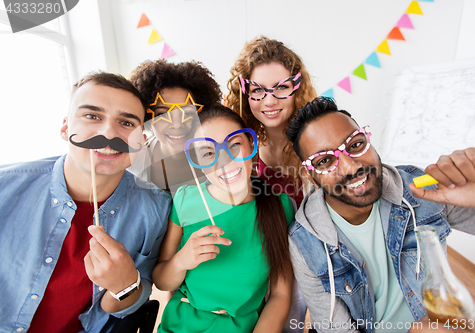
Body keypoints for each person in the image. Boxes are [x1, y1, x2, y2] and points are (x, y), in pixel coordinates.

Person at [285, 96, 475, 333]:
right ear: (309, 175)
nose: (352, 167)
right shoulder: (305, 241)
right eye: (325, 161)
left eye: (355, 145)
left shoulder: (419, 190)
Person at [0, 72, 171, 333]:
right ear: (66, 127)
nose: (108, 133)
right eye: (92, 116)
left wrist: (125, 284)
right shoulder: (6, 188)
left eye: (126, 123)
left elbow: (132, 302)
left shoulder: (156, 208)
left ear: (141, 142)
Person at [152, 105, 295, 332]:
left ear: (251, 146)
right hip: (182, 324)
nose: (224, 160)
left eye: (234, 145)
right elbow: (161, 280)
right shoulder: (184, 201)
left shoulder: (280, 206)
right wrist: (182, 260)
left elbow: (280, 293)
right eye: (208, 153)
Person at [226, 36, 317, 207]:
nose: (269, 101)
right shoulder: (242, 147)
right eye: (258, 89)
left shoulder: (317, 144)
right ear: (245, 95)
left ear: (297, 89)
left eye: (282, 87)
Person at [129, 59, 222, 194]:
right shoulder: (132, 162)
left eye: (188, 113)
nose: (177, 124)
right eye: (162, 114)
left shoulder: (220, 157)